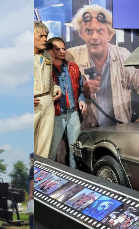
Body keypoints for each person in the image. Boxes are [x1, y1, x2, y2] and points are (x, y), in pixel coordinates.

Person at [66, 5, 139, 129]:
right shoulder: (70, 57)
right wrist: (79, 91)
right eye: (89, 31)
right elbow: (58, 90)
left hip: (119, 131)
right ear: (82, 34)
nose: (94, 37)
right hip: (85, 131)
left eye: (100, 31)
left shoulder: (124, 56)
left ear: (110, 34)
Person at [49, 37, 84, 168]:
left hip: (73, 113)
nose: (62, 51)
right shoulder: (46, 69)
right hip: (56, 114)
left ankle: (74, 176)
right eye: (58, 49)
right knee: (51, 151)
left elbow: (80, 89)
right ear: (50, 51)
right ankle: (48, 176)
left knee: (75, 150)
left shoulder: (73, 67)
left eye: (64, 48)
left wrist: (81, 100)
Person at [32, 22, 63, 159]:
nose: (45, 39)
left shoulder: (47, 56)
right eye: (41, 36)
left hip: (48, 101)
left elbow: (49, 79)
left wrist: (56, 88)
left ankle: (39, 170)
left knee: (44, 143)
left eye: (46, 36)